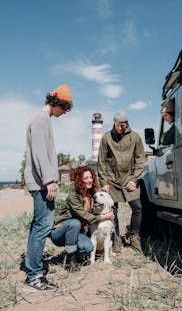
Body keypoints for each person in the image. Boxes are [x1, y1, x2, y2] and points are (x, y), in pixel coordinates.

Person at [24, 83, 73, 291]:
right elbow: (39, 153)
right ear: (57, 103)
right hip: (42, 183)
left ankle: (34, 270)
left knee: (39, 225)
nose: (63, 114)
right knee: (42, 226)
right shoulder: (40, 119)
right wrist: (49, 181)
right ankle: (34, 276)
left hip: (41, 182)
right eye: (64, 109)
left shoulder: (42, 119)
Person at [97, 110, 145, 252]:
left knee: (137, 207)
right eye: (118, 125)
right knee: (114, 210)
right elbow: (101, 162)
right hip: (112, 180)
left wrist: (135, 179)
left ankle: (134, 235)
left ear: (127, 123)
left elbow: (140, 159)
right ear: (114, 123)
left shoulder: (135, 137)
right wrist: (104, 182)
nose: (120, 128)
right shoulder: (106, 138)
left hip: (129, 179)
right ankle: (116, 237)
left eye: (123, 125)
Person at [51, 165, 114, 270]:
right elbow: (86, 216)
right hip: (60, 232)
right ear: (79, 180)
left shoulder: (91, 195)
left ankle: (75, 253)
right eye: (86, 178)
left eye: (90, 177)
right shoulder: (73, 196)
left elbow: (107, 207)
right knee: (75, 223)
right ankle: (70, 261)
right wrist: (105, 217)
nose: (89, 180)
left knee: (88, 247)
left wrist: (110, 224)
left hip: (77, 233)